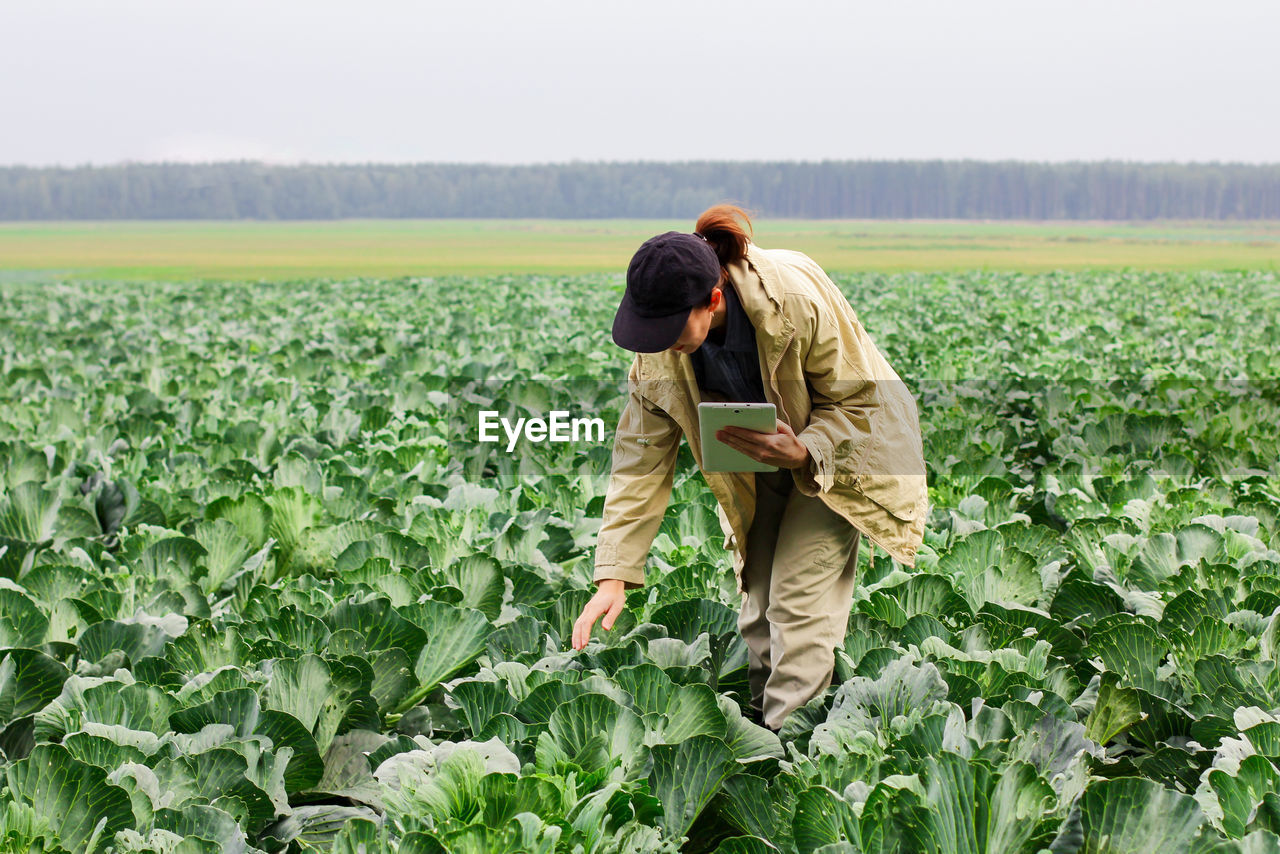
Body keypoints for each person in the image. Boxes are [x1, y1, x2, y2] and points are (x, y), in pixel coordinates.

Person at [571, 204, 928, 733]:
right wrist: (613, 576)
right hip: (756, 465)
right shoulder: (659, 355)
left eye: (669, 328)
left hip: (840, 458)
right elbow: (639, 460)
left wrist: (806, 448)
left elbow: (863, 403)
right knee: (759, 606)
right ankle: (763, 737)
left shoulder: (796, 303)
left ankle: (794, 757)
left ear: (712, 301)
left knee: (798, 607)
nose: (658, 341)